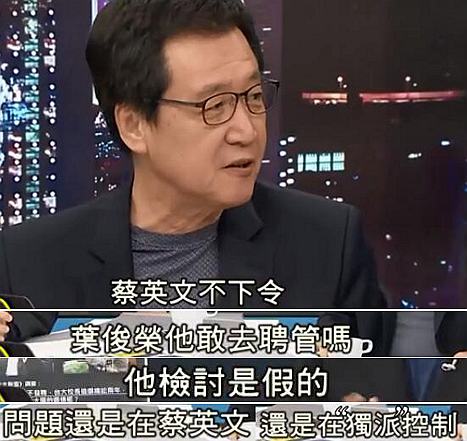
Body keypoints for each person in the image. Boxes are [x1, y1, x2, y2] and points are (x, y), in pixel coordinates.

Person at [0, 0, 385, 338]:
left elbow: (378, 385)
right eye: (215, 106)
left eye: (253, 96)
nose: (247, 131)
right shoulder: (28, 265)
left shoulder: (329, 245)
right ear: (134, 125)